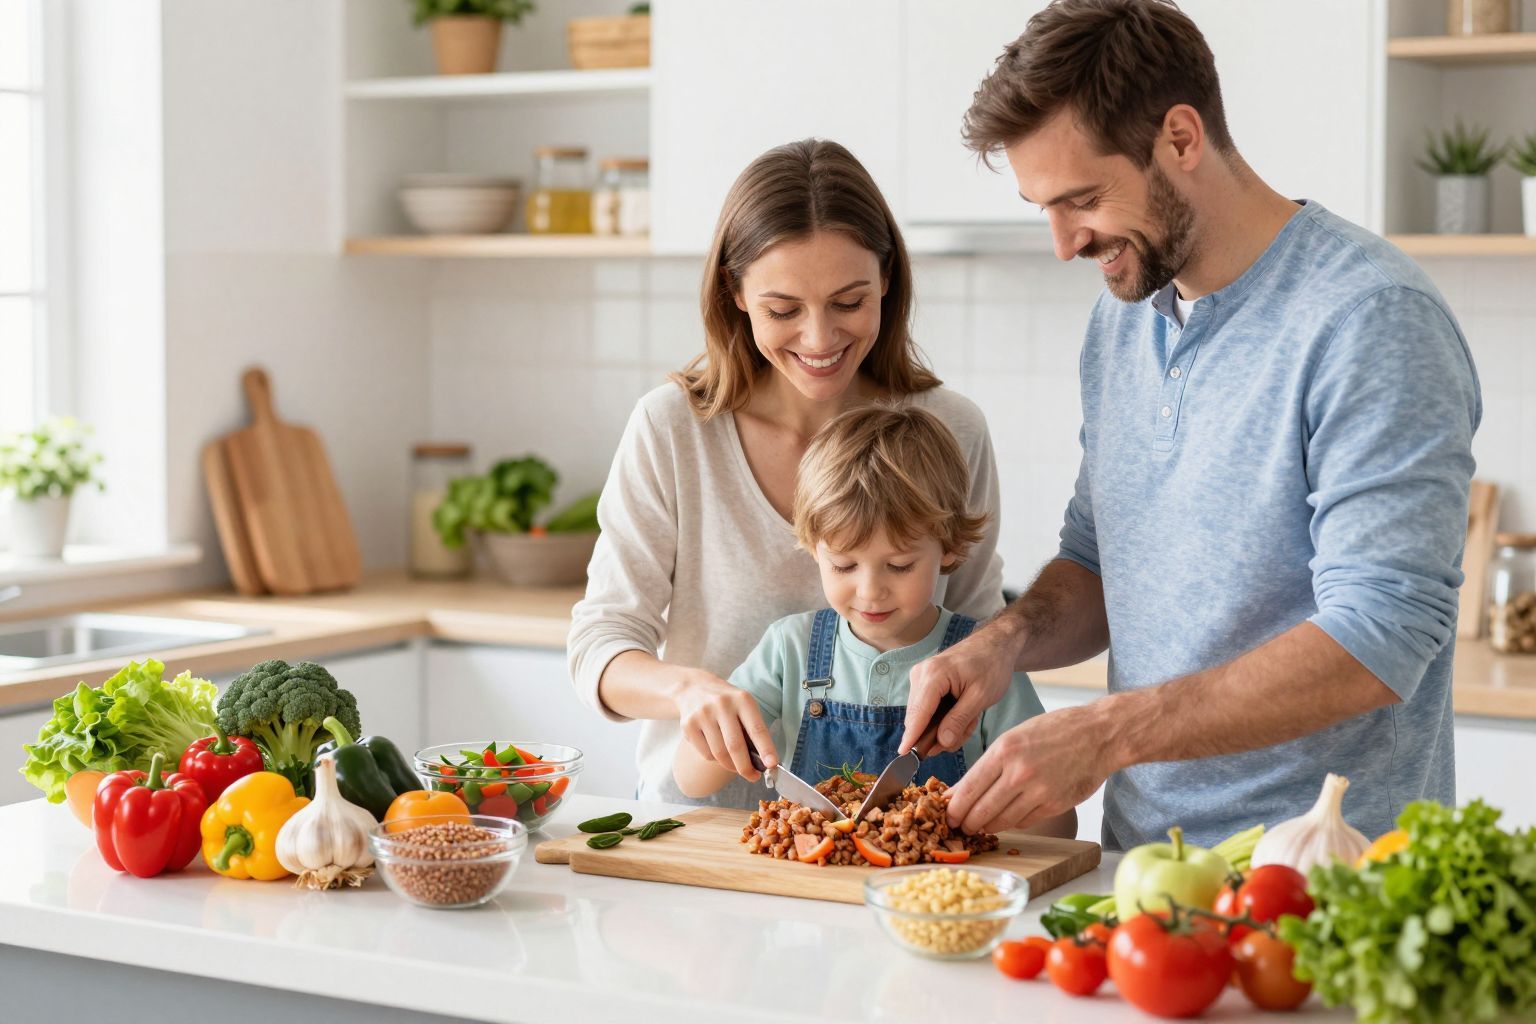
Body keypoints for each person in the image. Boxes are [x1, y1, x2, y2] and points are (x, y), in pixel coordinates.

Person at [901, 0, 1480, 850]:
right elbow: (1101, 563)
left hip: (1333, 882)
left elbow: (1381, 634)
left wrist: (1106, 732)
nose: (1065, 244)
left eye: (1083, 199)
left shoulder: (1368, 318)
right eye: (1043, 209)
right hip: (1148, 872)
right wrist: (1002, 643)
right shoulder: (1124, 317)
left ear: (1181, 137)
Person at [568, 139, 1008, 806]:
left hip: (899, 834)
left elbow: (978, 638)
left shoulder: (950, 430)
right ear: (735, 293)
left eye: (849, 302)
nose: (820, 338)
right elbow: (601, 644)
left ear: (888, 278)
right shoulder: (674, 430)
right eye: (784, 311)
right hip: (700, 827)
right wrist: (688, 689)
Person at [671, 404, 1078, 838]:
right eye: (844, 566)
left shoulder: (986, 662)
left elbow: (1057, 830)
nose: (870, 591)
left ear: (950, 548)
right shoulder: (788, 648)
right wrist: (713, 732)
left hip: (936, 890)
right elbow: (691, 782)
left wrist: (1029, 791)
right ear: (814, 549)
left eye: (899, 566)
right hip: (808, 892)